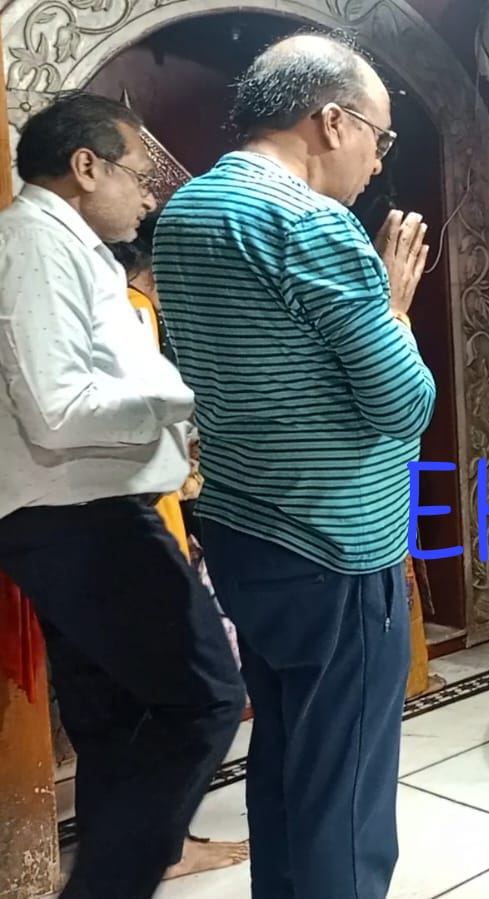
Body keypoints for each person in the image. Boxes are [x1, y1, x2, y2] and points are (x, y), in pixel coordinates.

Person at [152, 33, 434, 899]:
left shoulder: (188, 211)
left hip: (244, 527)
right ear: (332, 120)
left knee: (283, 759)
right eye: (380, 138)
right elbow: (403, 404)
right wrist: (393, 305)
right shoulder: (313, 224)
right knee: (342, 790)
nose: (377, 162)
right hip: (334, 545)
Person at [0, 91, 246, 899]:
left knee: (115, 721)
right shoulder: (34, 244)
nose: (147, 196)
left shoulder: (69, 248)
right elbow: (58, 408)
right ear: (85, 167)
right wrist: (185, 400)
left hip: (80, 516)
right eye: (139, 175)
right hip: (83, 520)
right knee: (205, 698)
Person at [107, 213, 252, 882]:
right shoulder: (136, 312)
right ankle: (165, 844)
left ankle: (146, 839)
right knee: (193, 692)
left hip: (123, 520)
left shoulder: (112, 306)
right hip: (146, 520)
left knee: (131, 699)